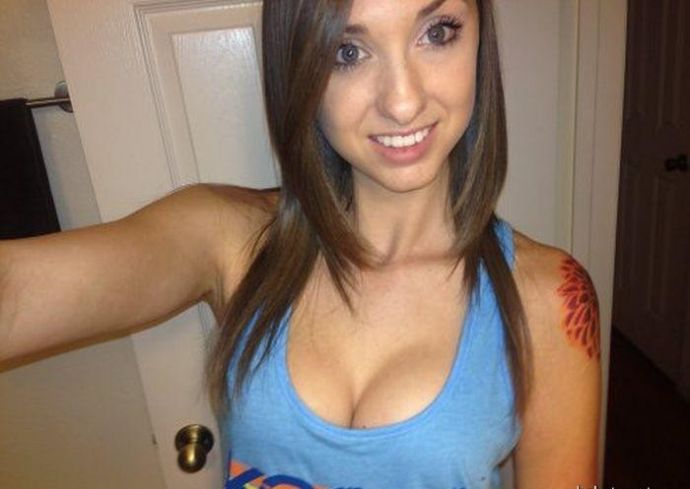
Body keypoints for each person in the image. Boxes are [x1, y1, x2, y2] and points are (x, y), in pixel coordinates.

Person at [0, 0, 602, 487]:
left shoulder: (549, 299)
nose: (403, 101)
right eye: (347, 51)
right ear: (300, 71)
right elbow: (15, 294)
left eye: (437, 32)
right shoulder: (229, 238)